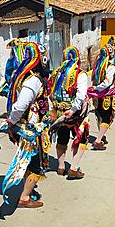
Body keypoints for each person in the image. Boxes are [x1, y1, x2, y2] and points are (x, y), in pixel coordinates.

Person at [0, 42, 51, 208]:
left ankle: (27, 189)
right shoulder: (33, 80)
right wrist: (12, 120)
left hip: (28, 126)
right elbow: (20, 105)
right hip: (32, 130)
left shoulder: (24, 75)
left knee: (28, 160)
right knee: (36, 164)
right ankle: (24, 197)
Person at [49, 46, 89, 179]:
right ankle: (73, 168)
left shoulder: (58, 73)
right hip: (75, 114)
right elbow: (81, 95)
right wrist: (72, 110)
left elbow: (52, 93)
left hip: (60, 112)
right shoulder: (80, 74)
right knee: (81, 139)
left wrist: (55, 107)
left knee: (62, 138)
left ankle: (61, 167)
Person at [88, 45, 115, 150]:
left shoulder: (97, 65)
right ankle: (98, 141)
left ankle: (101, 135)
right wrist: (97, 88)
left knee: (99, 115)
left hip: (97, 96)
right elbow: (107, 83)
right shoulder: (110, 66)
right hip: (106, 96)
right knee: (107, 117)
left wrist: (95, 88)